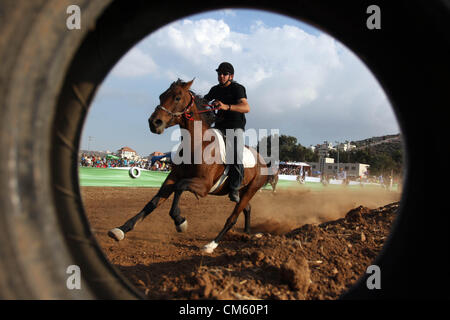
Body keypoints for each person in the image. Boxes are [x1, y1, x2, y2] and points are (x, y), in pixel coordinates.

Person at [204, 62, 250, 203]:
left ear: (231, 76)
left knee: (235, 155)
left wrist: (226, 106)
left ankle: (235, 187)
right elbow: (204, 102)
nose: (221, 76)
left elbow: (246, 107)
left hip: (235, 127)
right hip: (218, 126)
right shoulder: (215, 90)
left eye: (224, 74)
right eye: (219, 74)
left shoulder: (238, 88)